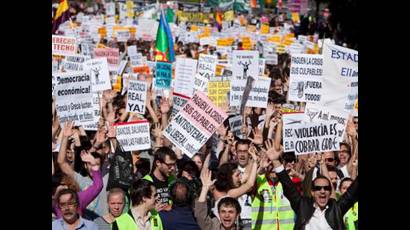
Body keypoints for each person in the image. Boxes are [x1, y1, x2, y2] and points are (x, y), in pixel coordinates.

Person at [265, 141, 358, 229]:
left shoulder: (336, 209)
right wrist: (276, 161)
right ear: (312, 192)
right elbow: (288, 186)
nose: (322, 191)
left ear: (330, 192)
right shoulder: (303, 206)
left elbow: (354, 191)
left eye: (326, 188)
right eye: (318, 188)